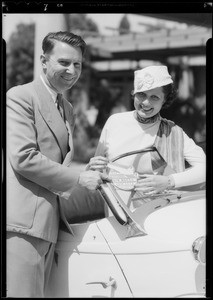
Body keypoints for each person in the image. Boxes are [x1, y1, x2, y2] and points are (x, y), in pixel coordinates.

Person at [6, 31, 108, 297]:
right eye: (63, 62)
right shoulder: (20, 96)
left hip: (51, 224)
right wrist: (78, 177)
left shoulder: (68, 108)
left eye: (77, 64)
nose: (71, 70)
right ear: (43, 60)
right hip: (23, 225)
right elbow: (23, 157)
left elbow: (56, 162)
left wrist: (86, 170)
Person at [87, 65, 206, 194]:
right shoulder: (114, 121)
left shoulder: (171, 132)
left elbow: (204, 168)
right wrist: (91, 167)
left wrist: (169, 181)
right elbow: (94, 172)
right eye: (142, 94)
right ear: (134, 94)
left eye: (154, 97)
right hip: (114, 206)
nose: (146, 102)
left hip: (152, 208)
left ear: (164, 100)